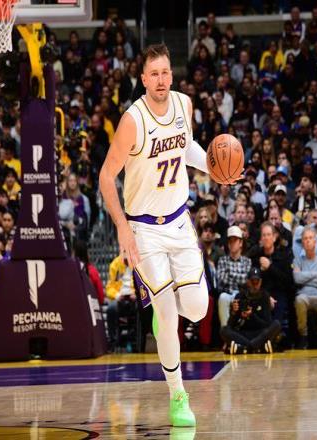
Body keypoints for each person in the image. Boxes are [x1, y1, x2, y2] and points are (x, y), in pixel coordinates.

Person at [99, 44, 229, 427]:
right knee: (168, 311)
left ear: (172, 74)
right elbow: (106, 176)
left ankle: (164, 315)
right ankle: (178, 395)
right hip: (143, 229)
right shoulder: (133, 121)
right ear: (143, 79)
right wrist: (122, 227)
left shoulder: (184, 105)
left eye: (166, 72)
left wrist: (214, 166)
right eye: (153, 73)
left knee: (197, 308)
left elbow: (187, 148)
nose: (161, 80)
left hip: (179, 221)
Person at [220, 267, 281, 354]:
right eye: (253, 281)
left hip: (260, 333)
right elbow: (231, 325)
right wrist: (234, 313)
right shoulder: (240, 296)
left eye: (257, 281)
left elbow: (267, 324)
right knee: (223, 330)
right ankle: (257, 348)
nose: (255, 285)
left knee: (276, 324)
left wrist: (252, 316)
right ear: (248, 281)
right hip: (243, 334)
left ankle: (244, 348)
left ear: (261, 281)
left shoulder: (265, 296)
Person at [293, 227, 317, 349]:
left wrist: (304, 276)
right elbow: (297, 279)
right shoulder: (297, 260)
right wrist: (315, 274)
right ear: (302, 242)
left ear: (315, 241)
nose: (308, 241)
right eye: (305, 238)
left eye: (310, 238)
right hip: (304, 296)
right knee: (299, 300)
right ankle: (303, 336)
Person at [217, 226, 252, 327]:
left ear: (241, 243)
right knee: (223, 297)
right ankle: (225, 332)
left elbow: (246, 280)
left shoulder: (247, 261)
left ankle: (240, 333)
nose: (232, 243)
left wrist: (230, 273)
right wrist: (240, 277)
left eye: (235, 240)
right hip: (227, 294)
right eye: (230, 241)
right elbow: (221, 279)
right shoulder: (222, 260)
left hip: (242, 295)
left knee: (245, 299)